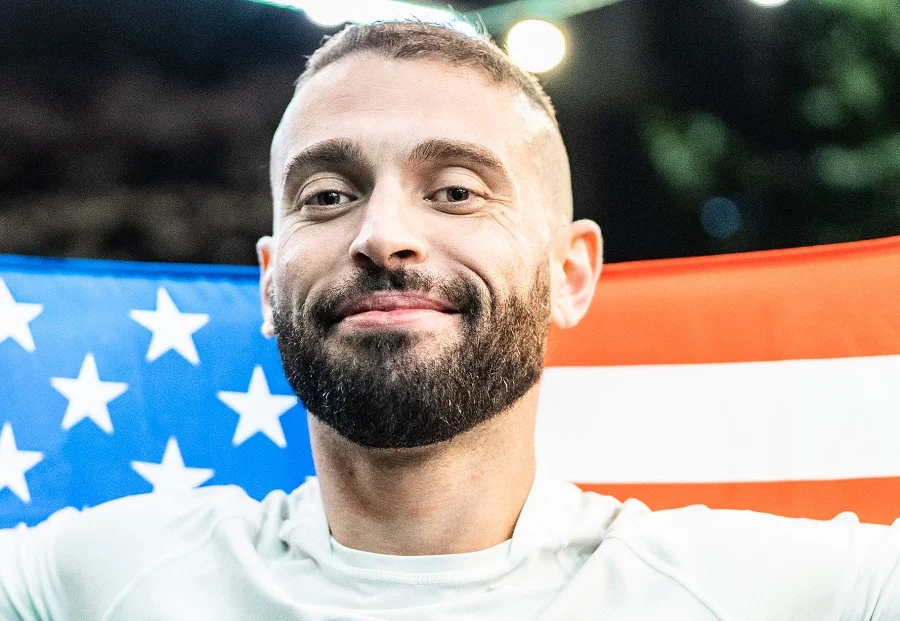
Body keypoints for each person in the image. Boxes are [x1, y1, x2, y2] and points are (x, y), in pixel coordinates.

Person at [2, 19, 899, 621]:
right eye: (327, 194)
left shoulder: (749, 590)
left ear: (570, 274)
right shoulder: (104, 579)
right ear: (270, 286)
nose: (385, 234)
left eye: (457, 191)